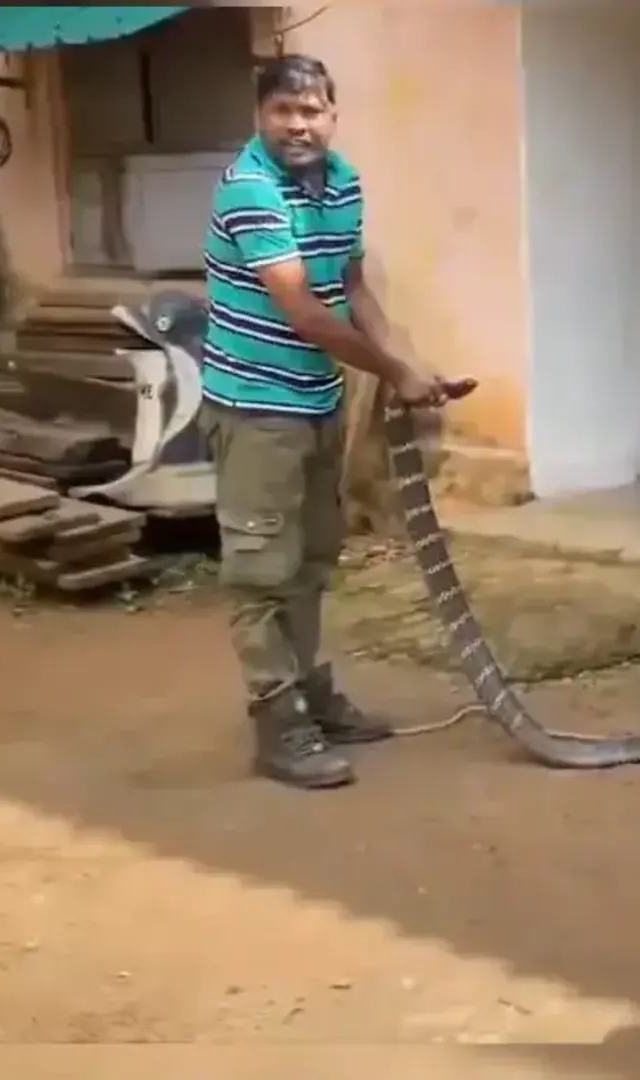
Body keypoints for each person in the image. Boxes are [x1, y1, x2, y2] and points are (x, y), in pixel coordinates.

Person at [200, 55, 476, 790]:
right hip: (256, 408)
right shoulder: (251, 190)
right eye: (284, 112)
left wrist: (413, 363)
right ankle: (276, 718)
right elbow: (305, 311)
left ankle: (310, 694)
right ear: (261, 116)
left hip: (318, 401)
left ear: (331, 114)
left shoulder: (343, 182)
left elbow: (353, 291)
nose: (299, 125)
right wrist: (395, 376)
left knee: (313, 562)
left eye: (312, 110)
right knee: (260, 573)